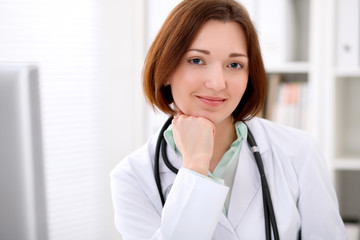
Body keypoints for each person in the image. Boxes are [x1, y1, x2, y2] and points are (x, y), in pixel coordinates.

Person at [110, 0, 347, 239]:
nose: (217, 83)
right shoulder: (132, 177)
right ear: (166, 69)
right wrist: (195, 168)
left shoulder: (298, 152)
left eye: (234, 64)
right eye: (196, 60)